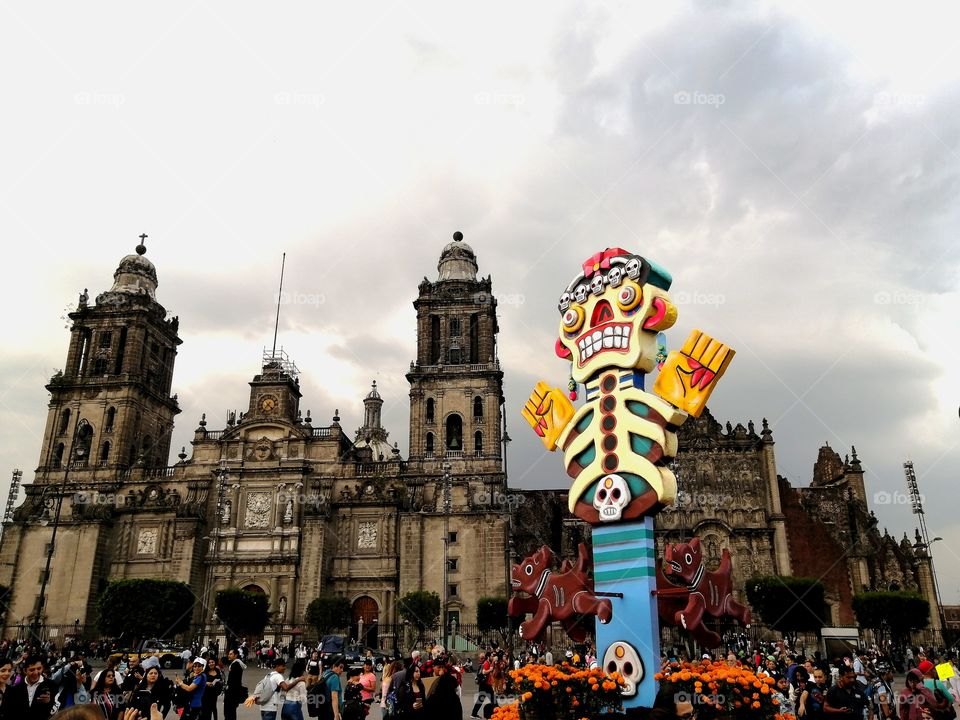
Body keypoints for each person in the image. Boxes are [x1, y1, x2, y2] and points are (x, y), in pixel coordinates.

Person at [223, 649, 247, 720]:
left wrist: (228, 690)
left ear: (236, 655)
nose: (229, 655)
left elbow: (234, 680)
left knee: (229, 712)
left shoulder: (236, 664)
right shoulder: (236, 663)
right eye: (229, 654)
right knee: (231, 712)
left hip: (232, 692)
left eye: (231, 654)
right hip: (233, 692)